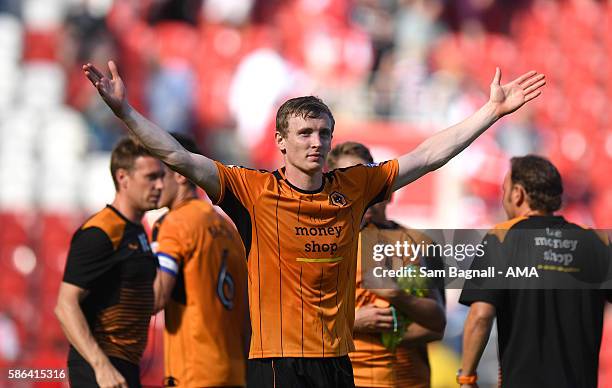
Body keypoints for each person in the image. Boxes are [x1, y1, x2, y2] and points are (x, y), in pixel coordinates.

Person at [83, 60, 545, 387]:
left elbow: (427, 156)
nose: (317, 141)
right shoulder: (253, 190)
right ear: (280, 141)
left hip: (336, 362)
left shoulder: (354, 186)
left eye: (325, 132)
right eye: (305, 132)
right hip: (279, 363)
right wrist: (124, 111)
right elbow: (176, 155)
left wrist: (490, 112)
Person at [458, 155, 611, 388]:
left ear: (518, 193)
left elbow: (480, 315)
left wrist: (467, 377)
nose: (502, 198)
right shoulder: (595, 241)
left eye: (504, 190)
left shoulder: (501, 237)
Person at [327, 142, 446, 388]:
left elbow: (436, 326)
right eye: (348, 180)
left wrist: (393, 316)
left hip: (408, 379)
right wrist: (352, 322)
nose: (359, 189)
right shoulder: (320, 242)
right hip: (344, 377)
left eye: (366, 179)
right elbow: (297, 321)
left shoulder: (421, 244)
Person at [55, 137, 165, 388]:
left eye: (161, 176)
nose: (159, 185)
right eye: (150, 177)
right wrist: (101, 365)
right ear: (123, 178)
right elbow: (65, 305)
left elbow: (143, 300)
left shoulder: (137, 231)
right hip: (101, 366)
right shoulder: (100, 231)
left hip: (126, 364)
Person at [151, 133, 249, 388]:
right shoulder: (228, 228)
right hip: (235, 370)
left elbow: (157, 297)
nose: (155, 185)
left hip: (193, 371)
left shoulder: (174, 223)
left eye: (158, 174)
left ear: (181, 174)